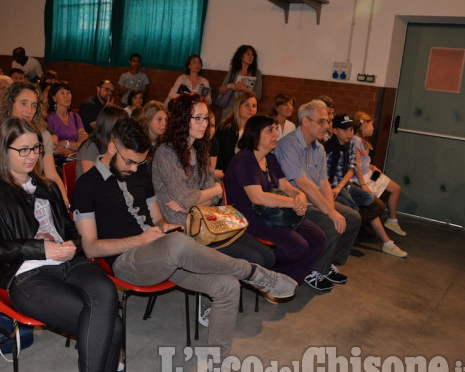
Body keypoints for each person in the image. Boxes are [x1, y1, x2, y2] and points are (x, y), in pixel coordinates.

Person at [72, 117, 297, 372]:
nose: (134, 169)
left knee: (226, 286)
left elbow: (156, 219)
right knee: (178, 245)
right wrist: (141, 239)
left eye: (139, 163)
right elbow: (91, 247)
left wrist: (163, 227)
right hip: (126, 261)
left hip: (162, 252)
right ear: (111, 147)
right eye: (129, 162)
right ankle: (251, 272)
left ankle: (216, 371)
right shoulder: (87, 185)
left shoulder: (141, 172)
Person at [0, 117, 123, 372]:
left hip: (69, 263)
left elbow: (70, 230)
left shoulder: (48, 187)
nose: (32, 156)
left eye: (36, 148)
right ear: (5, 150)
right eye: (23, 150)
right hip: (28, 275)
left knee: (107, 295)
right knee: (111, 326)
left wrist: (73, 244)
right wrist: (39, 248)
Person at [152, 93, 277, 298]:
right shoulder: (167, 152)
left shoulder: (199, 148)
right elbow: (189, 197)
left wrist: (206, 194)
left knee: (268, 256)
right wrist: (209, 193)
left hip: (208, 219)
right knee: (256, 258)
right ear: (183, 120)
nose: (205, 124)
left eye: (206, 118)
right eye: (198, 118)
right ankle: (216, 299)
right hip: (183, 225)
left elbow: (211, 190)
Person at [225, 115, 325, 284]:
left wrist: (300, 196)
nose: (276, 135)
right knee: (298, 247)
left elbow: (286, 186)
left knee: (318, 237)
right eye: (269, 130)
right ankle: (270, 276)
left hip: (273, 213)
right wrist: (293, 203)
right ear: (255, 133)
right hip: (250, 217)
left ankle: (288, 279)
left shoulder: (270, 158)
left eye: (275, 130)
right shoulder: (244, 160)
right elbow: (257, 197)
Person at [275, 100, 362, 291]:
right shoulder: (288, 145)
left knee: (353, 218)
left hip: (313, 200)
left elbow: (324, 184)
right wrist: (330, 213)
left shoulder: (319, 148)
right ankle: (313, 270)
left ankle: (326, 261)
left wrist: (331, 209)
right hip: (293, 203)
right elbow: (303, 184)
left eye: (328, 121)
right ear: (305, 122)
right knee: (331, 222)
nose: (327, 126)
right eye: (321, 121)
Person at [323, 114, 407, 258]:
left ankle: (359, 229)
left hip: (343, 185)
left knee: (375, 203)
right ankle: (342, 243)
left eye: (351, 130)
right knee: (354, 210)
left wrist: (340, 187)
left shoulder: (349, 145)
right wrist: (336, 189)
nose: (349, 133)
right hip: (330, 188)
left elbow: (352, 167)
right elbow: (325, 176)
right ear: (335, 130)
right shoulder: (329, 148)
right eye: (345, 130)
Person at [0, 82, 70, 207]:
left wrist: (64, 201)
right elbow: (0, 177)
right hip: (8, 198)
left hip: (38, 195)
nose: (29, 110)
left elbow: (51, 174)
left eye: (34, 105)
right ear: (10, 104)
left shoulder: (43, 136)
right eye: (23, 103)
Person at [353, 111, 407, 236]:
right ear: (364, 125)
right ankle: (379, 234)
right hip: (363, 178)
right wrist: (363, 185)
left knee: (396, 189)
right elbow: (356, 165)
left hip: (370, 172)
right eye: (371, 124)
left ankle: (392, 220)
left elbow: (363, 161)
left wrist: (373, 166)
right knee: (375, 204)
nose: (373, 128)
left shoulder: (362, 140)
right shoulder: (355, 140)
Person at [75, 104, 126, 178]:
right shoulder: (90, 147)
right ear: (110, 127)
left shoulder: (119, 143)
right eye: (122, 126)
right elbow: (90, 180)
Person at [214, 90, 257, 173]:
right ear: (238, 106)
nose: (251, 109)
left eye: (254, 106)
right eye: (247, 105)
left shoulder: (254, 129)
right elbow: (225, 156)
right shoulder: (227, 127)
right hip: (224, 171)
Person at [46, 81, 88, 160]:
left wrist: (65, 143)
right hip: (56, 162)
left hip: (74, 160)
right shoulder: (48, 118)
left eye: (68, 93)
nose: (66, 96)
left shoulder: (76, 116)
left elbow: (84, 143)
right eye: (62, 93)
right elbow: (53, 149)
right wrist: (76, 145)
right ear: (54, 98)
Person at [217, 45, 263, 113]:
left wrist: (245, 89)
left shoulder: (257, 73)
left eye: (252, 55)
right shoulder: (233, 71)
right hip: (230, 109)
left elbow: (258, 96)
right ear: (241, 56)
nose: (250, 57)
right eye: (248, 54)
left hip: (247, 110)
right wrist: (230, 86)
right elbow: (220, 90)